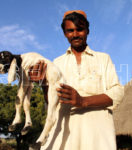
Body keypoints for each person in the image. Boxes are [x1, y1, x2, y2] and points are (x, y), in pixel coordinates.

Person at [29, 10, 124, 150]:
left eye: (80, 29)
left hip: (97, 134)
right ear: (64, 33)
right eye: (70, 30)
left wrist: (83, 101)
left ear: (87, 30)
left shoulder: (103, 59)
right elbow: (52, 101)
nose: (75, 34)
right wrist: (43, 84)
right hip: (64, 135)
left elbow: (117, 93)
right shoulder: (56, 63)